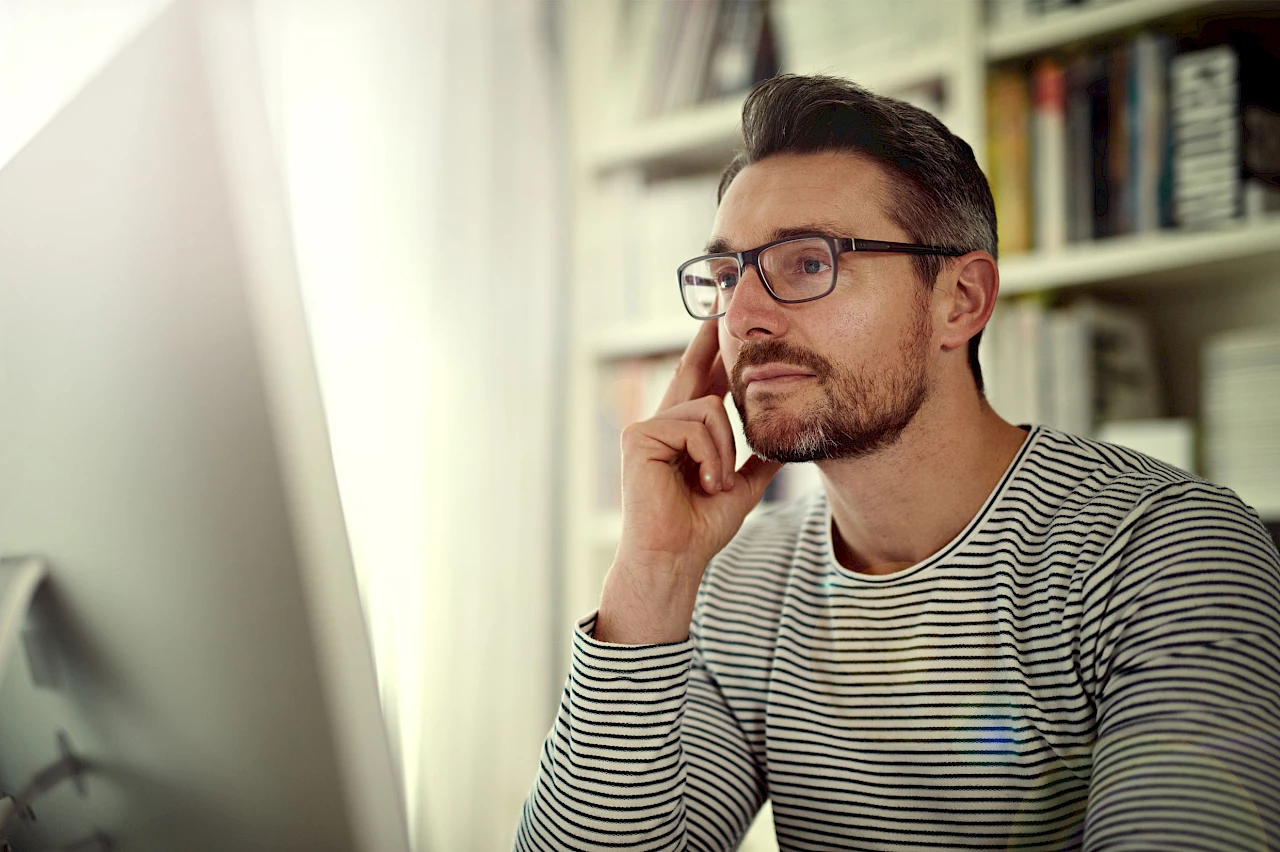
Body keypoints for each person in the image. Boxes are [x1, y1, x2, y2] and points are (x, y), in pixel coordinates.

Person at [514, 74, 1280, 851]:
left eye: (807, 262)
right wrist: (653, 575)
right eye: (725, 276)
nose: (740, 317)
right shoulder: (744, 587)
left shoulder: (1168, 552)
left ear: (961, 300)